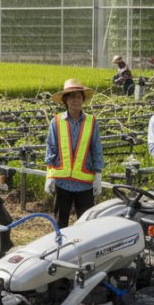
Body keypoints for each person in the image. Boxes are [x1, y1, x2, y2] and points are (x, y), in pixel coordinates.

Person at [44, 79, 104, 228]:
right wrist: (49, 176)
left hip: (85, 185)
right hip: (62, 183)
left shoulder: (91, 122)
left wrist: (98, 175)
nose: (75, 100)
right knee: (60, 224)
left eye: (78, 96)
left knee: (86, 225)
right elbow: (51, 149)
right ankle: (60, 250)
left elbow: (96, 148)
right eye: (71, 96)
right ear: (65, 100)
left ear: (83, 99)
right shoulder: (56, 122)